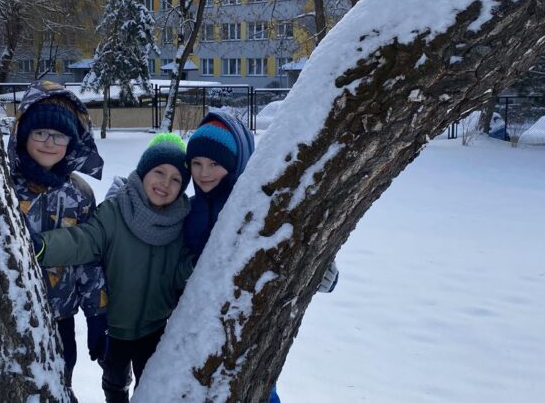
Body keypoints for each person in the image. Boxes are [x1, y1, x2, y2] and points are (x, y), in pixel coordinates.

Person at [183, 110, 339, 403]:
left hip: (251, 335)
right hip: (197, 337)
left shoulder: (261, 212)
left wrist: (323, 272)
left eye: (215, 163)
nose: (204, 173)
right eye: (197, 163)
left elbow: (296, 247)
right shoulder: (187, 212)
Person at [33, 132, 194, 403]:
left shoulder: (180, 223)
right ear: (143, 172)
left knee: (151, 388)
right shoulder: (115, 211)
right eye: (159, 172)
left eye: (176, 179)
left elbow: (178, 273)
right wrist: (43, 247)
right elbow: (83, 240)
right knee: (115, 382)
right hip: (114, 326)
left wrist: (193, 266)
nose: (165, 183)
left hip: (155, 329)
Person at [7, 80, 108, 390]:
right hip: (12, 318)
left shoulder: (79, 194)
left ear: (72, 141)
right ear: (24, 135)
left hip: (61, 321)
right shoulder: (3, 187)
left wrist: (97, 313)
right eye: (40, 133)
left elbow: (88, 258)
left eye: (60, 135)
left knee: (59, 386)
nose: (49, 142)